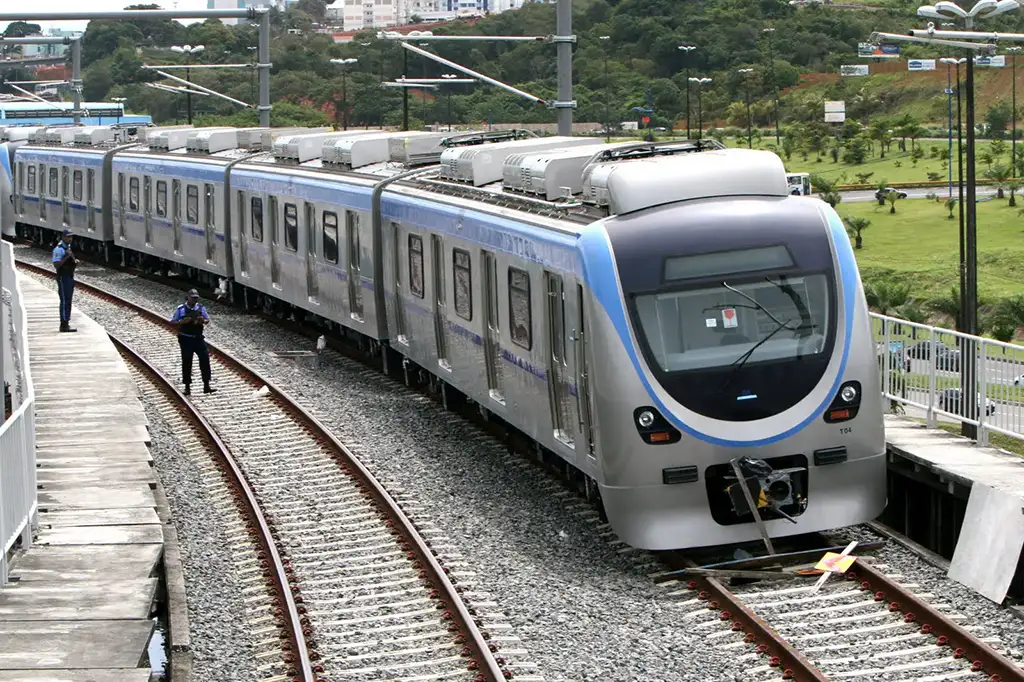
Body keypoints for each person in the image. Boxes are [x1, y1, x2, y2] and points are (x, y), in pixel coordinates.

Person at [169, 289, 216, 396]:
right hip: (186, 339)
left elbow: (207, 320)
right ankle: (187, 386)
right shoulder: (180, 309)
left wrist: (202, 320)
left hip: (198, 338)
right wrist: (182, 322)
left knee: (204, 360)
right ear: (188, 297)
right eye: (193, 298)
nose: (194, 300)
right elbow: (172, 322)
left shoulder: (201, 308)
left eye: (196, 298)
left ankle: (206, 385)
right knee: (187, 361)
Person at [52, 229, 77, 332]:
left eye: (71, 237)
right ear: (63, 237)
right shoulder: (59, 250)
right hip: (63, 277)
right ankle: (63, 324)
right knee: (64, 300)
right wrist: (67, 256)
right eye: (68, 237)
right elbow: (56, 265)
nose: (70, 239)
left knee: (68, 300)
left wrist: (73, 259)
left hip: (69, 276)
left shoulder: (68, 248)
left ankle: (67, 321)